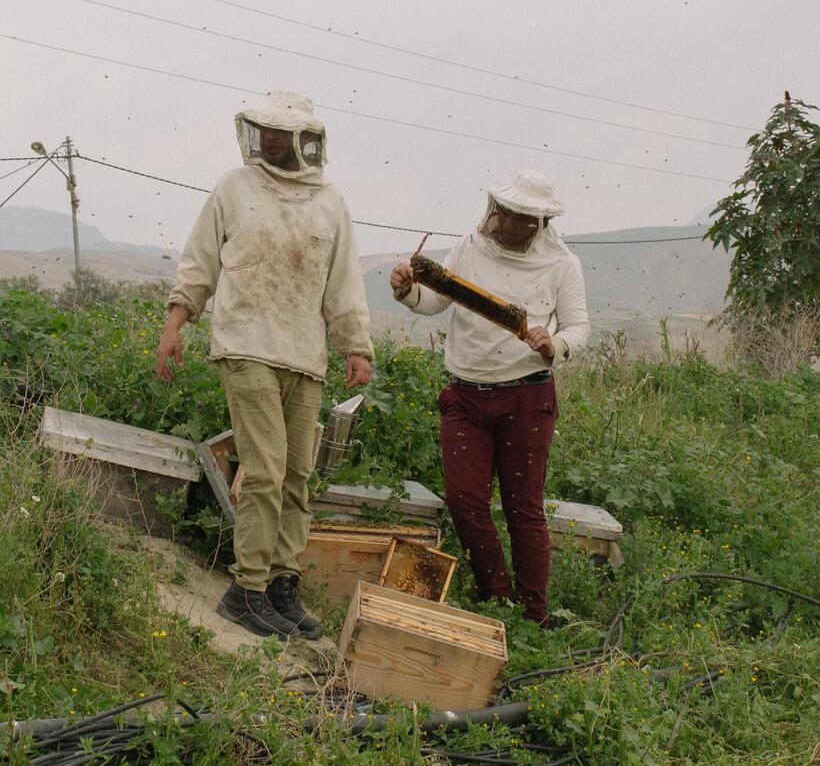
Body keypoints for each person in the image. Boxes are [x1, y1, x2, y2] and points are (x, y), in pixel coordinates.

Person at [155, 91, 374, 639]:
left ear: (307, 142)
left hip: (305, 353)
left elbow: (344, 279)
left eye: (281, 134)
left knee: (299, 475)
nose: (270, 141)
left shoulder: (329, 201)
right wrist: (175, 323)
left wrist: (356, 345)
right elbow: (200, 259)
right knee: (266, 469)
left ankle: (282, 586)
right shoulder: (234, 187)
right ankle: (245, 589)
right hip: (246, 343)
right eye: (264, 131)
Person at [389, 170, 589, 626]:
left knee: (524, 508)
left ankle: (534, 618)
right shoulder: (468, 245)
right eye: (504, 211)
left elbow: (579, 327)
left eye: (519, 216)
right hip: (465, 395)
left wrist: (552, 343)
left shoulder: (562, 264)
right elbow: (435, 301)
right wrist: (406, 288)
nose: (506, 221)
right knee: (464, 501)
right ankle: (497, 599)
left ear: (539, 221)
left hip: (527, 398)